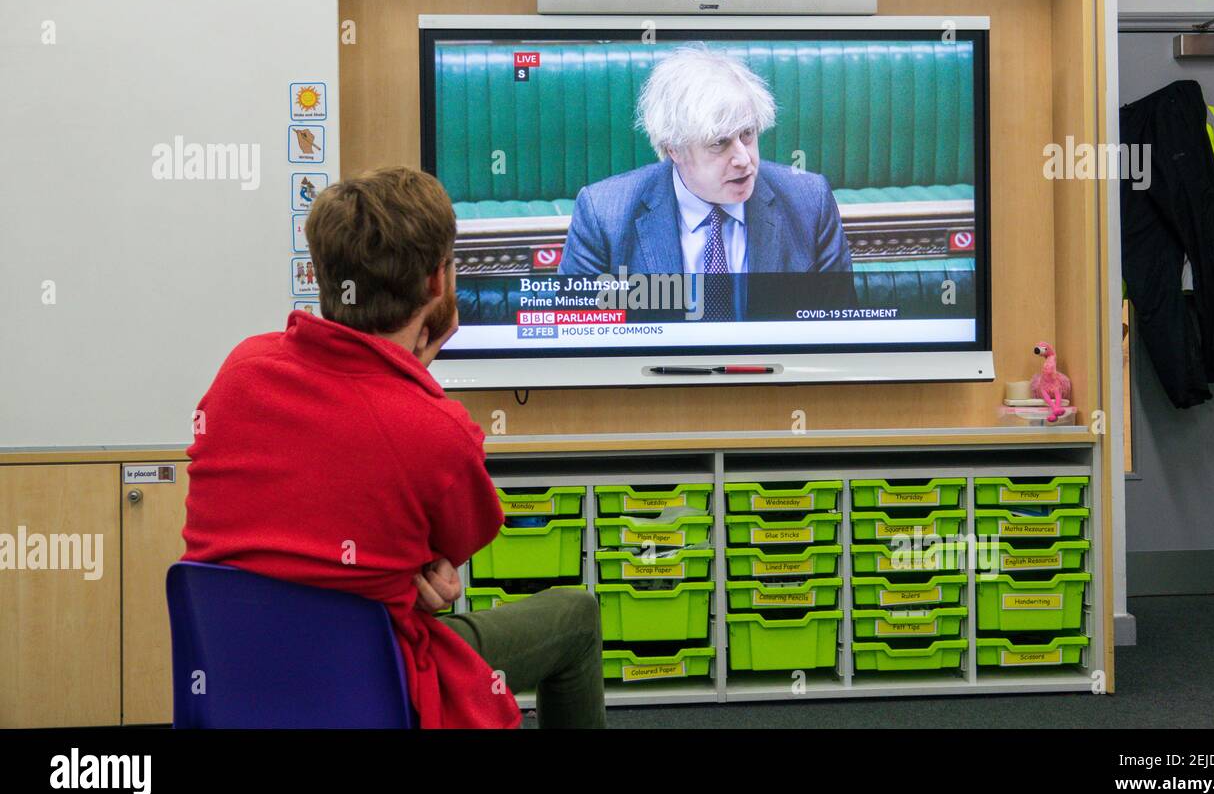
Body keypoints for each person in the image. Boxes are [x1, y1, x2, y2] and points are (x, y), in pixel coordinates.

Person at [182, 166, 605, 729]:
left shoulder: (242, 370)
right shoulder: (437, 430)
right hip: (375, 679)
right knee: (576, 616)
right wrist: (412, 380)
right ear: (437, 282)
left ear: (323, 273)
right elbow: (454, 548)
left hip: (237, 678)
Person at [558, 44, 855, 317]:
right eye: (719, 143)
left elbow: (840, 331)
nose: (744, 159)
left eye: (747, 135)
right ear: (674, 148)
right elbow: (576, 341)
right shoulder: (604, 216)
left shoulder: (810, 202)